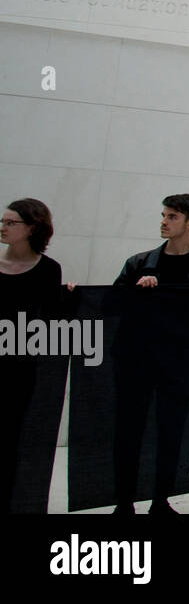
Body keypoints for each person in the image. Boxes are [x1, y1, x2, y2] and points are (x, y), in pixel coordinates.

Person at [111, 194, 189, 514]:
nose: (164, 221)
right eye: (163, 215)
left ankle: (160, 500)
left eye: (172, 216)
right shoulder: (138, 263)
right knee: (129, 433)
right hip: (137, 361)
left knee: (171, 433)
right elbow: (111, 305)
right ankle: (124, 503)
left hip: (178, 362)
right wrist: (136, 289)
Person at [1, 198, 74, 513]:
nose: (3, 227)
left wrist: (69, 298)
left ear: (32, 227)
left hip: (19, 369)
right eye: (2, 222)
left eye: (10, 222)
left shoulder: (48, 270)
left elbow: (52, 322)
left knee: (9, 442)